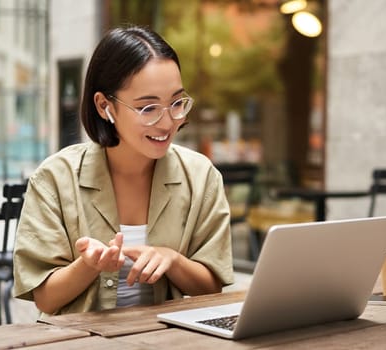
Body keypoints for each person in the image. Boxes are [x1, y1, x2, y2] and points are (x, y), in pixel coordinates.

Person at [13, 26, 234, 316]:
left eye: (176, 103)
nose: (168, 123)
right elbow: (45, 299)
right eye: (148, 108)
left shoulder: (200, 176)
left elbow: (212, 287)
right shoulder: (55, 178)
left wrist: (173, 260)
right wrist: (88, 266)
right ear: (105, 106)